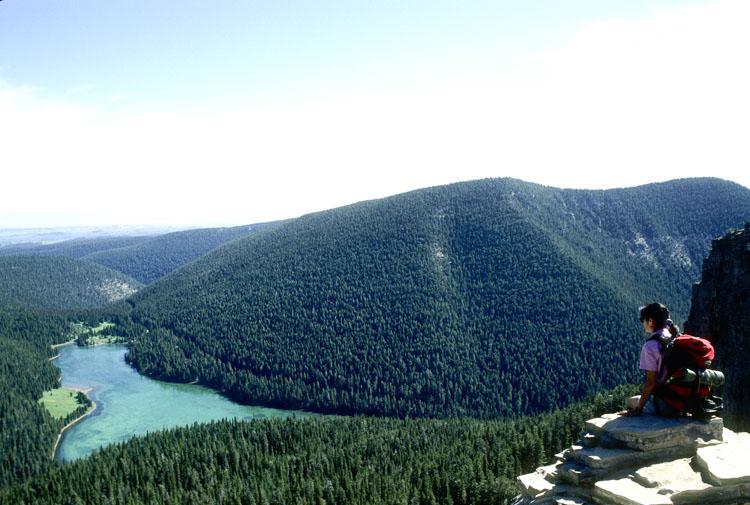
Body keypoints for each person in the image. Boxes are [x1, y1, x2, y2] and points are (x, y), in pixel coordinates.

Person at [625, 303, 680, 417]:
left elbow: (650, 383)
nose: (642, 323)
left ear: (650, 321)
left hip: (667, 405)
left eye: (642, 320)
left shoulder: (650, 346)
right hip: (681, 399)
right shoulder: (672, 335)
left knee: (631, 401)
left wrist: (638, 409)